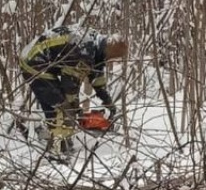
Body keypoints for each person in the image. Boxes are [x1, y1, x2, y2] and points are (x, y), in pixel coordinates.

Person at [19, 25, 127, 156]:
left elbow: (97, 76)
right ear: (109, 50)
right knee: (60, 106)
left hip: (40, 59)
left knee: (63, 104)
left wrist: (107, 101)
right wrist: (75, 108)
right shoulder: (84, 51)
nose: (111, 60)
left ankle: (58, 137)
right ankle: (57, 149)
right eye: (112, 57)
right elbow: (70, 85)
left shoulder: (96, 44)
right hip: (35, 63)